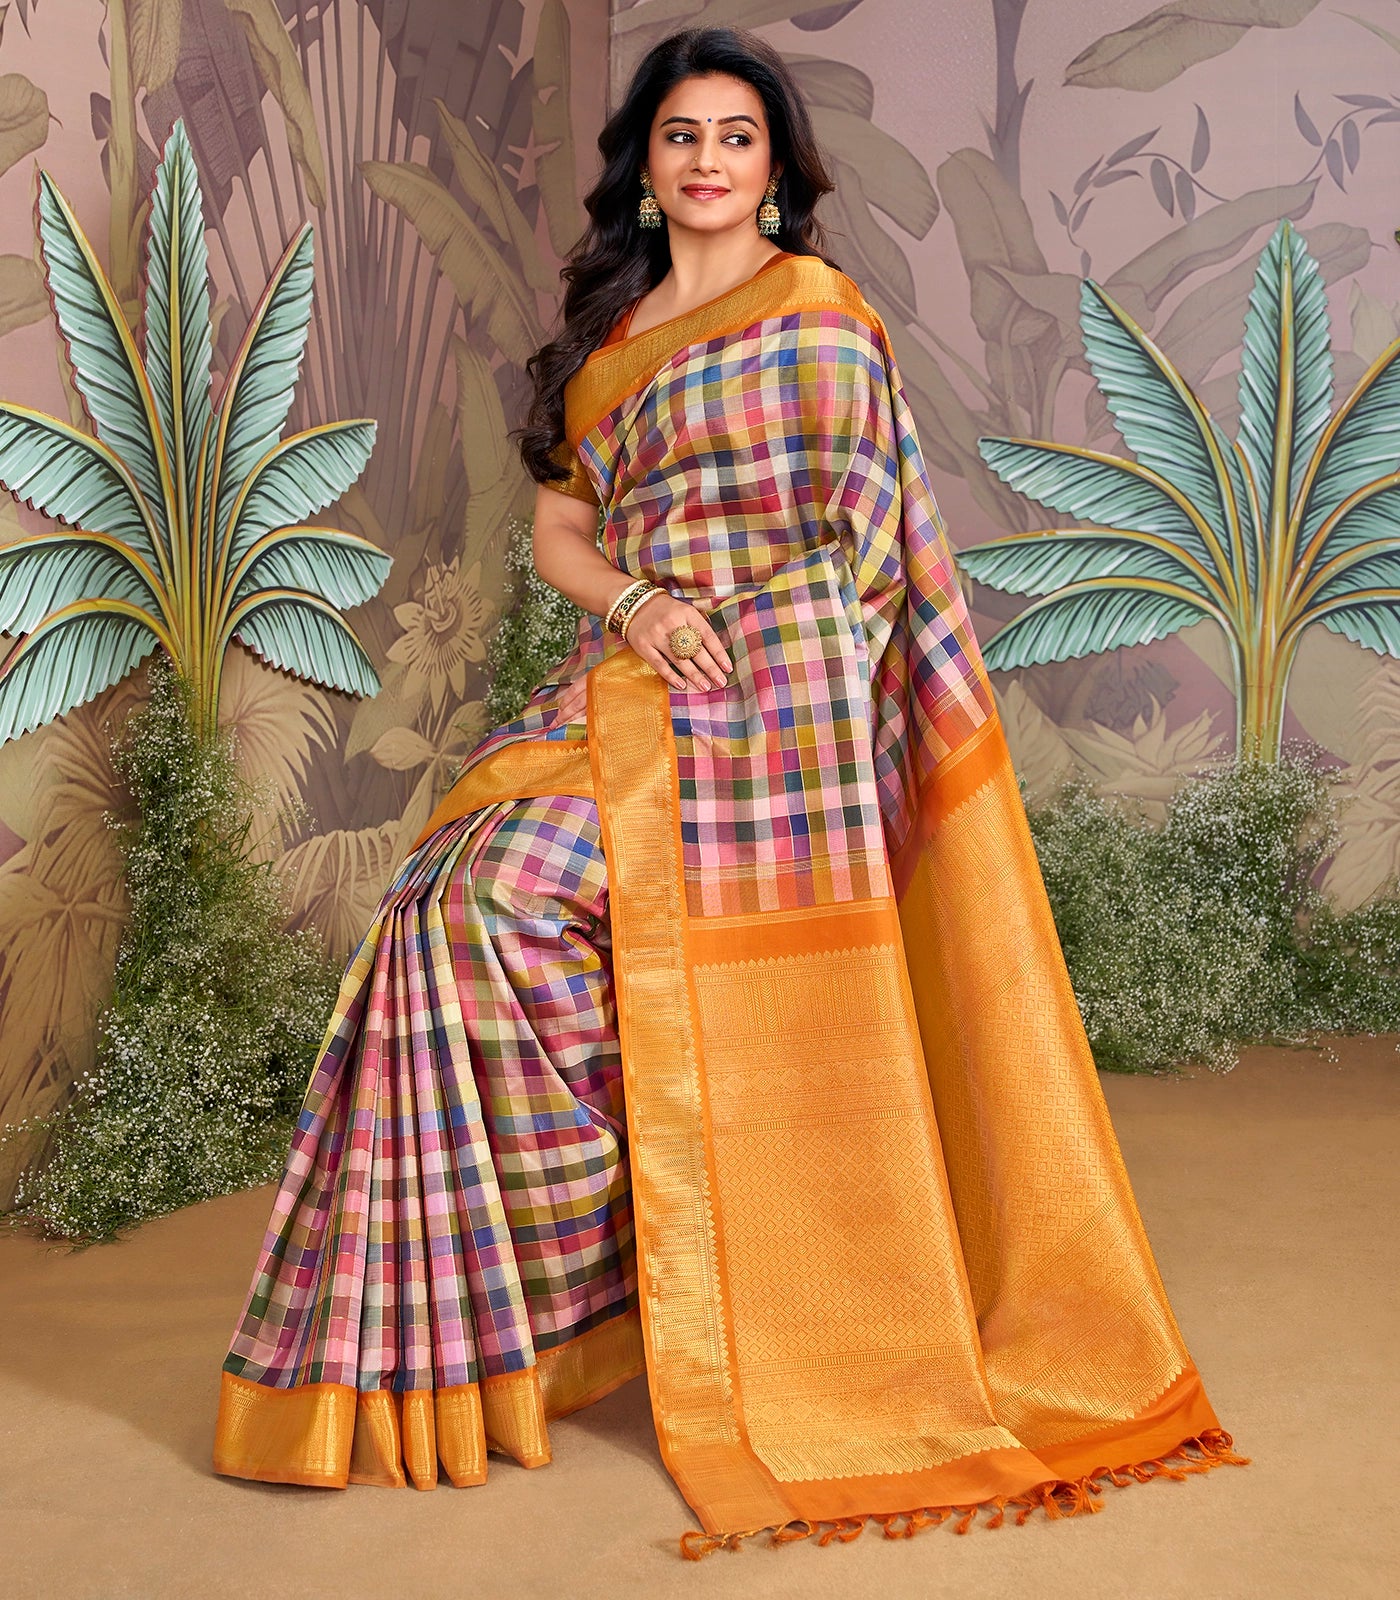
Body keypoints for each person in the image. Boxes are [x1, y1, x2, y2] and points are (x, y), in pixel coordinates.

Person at [212, 26, 1247, 1558]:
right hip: (634, 686)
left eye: (736, 137)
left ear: (775, 170)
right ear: (648, 164)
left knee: (572, 926)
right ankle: (546, 1310)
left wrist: (794, 680)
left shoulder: (818, 317)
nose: (707, 160)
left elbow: (872, 545)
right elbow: (565, 533)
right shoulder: (609, 342)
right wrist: (638, 605)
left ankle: (717, 1265)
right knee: (454, 910)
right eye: (682, 135)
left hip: (786, 712)